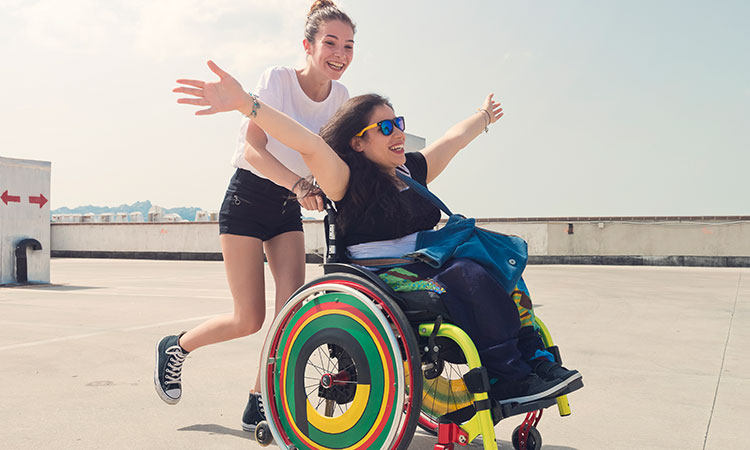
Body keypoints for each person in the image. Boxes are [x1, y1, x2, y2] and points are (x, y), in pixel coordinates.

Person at [172, 60, 582, 404]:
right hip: (381, 276)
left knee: (500, 263)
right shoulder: (346, 179)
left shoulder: (412, 171)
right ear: (358, 142)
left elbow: (452, 141)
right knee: (470, 273)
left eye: (398, 123)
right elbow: (310, 145)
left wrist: (484, 117)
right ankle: (507, 378)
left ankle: (535, 359)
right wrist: (246, 104)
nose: (398, 133)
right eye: (385, 128)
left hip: (424, 267)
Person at [154, 0, 357, 432]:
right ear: (308, 45)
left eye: (349, 46)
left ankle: (260, 398)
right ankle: (176, 347)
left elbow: (328, 158)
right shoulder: (279, 80)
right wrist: (301, 185)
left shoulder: (341, 98)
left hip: (287, 209)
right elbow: (253, 150)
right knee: (249, 318)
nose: (340, 53)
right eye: (330, 43)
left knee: (291, 315)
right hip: (248, 197)